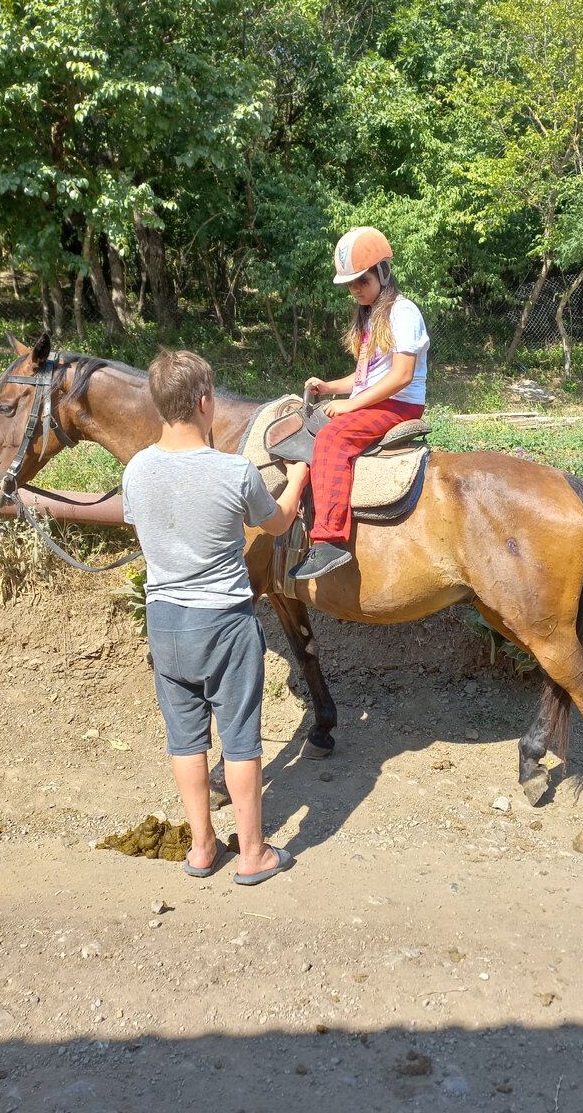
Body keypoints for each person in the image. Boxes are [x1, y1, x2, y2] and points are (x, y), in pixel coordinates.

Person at [122, 349, 309, 885]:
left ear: (160, 404)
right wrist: (296, 477)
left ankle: (202, 846)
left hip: (165, 622)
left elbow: (149, 527)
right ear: (206, 402)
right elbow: (278, 525)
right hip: (224, 623)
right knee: (241, 738)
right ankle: (252, 853)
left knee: (185, 738)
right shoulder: (235, 471)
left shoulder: (136, 469)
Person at [289, 226, 429, 582]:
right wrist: (327, 388)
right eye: (350, 285)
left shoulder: (403, 312)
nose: (355, 290)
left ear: (382, 273)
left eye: (361, 281)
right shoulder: (369, 317)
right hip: (377, 401)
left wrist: (350, 408)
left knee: (332, 439)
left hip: (400, 404)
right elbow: (362, 379)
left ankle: (329, 539)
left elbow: (401, 376)